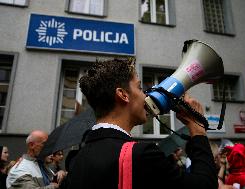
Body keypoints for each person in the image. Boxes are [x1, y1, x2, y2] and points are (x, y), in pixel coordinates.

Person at [67, 59, 218, 189]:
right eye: (139, 87)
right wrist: (197, 129)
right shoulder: (141, 155)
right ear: (123, 95)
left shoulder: (76, 159)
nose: (145, 95)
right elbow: (205, 185)